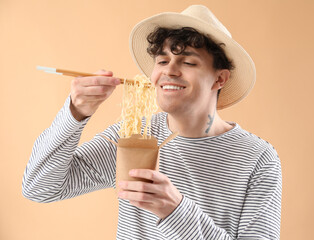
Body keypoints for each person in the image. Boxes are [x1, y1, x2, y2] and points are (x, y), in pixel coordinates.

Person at [22, 5, 282, 240]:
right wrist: (75, 113)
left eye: (188, 62)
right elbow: (39, 187)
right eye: (162, 61)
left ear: (220, 79)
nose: (169, 70)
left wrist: (176, 210)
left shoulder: (258, 158)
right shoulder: (132, 134)